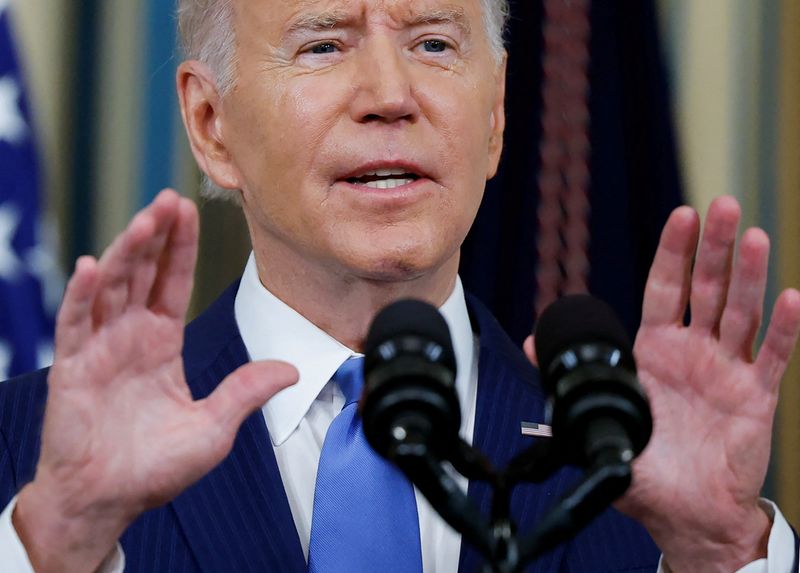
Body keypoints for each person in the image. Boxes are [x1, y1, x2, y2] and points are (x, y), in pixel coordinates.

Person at [1, 0, 799, 571]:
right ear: (211, 125)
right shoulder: (29, 453)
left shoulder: (628, 465)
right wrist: (58, 546)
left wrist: (721, 553)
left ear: (494, 119)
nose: (390, 95)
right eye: (322, 45)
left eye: (435, 44)